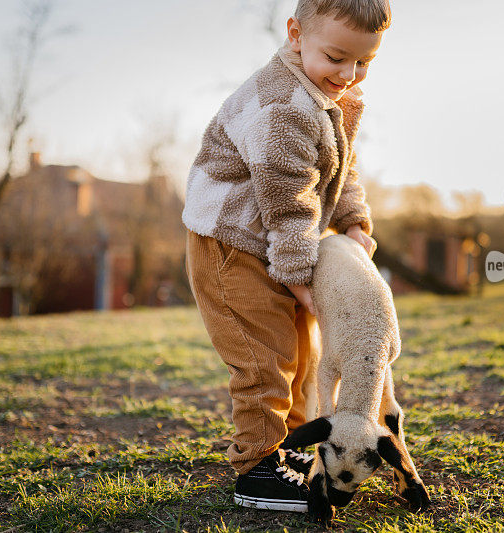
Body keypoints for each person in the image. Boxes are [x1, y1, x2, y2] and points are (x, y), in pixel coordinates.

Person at [182, 0, 389, 513]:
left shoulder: (330, 96)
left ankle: (288, 451)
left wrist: (354, 221)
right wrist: (302, 282)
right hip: (231, 244)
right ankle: (257, 468)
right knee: (263, 357)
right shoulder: (283, 109)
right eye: (337, 58)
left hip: (277, 241)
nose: (350, 74)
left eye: (364, 62)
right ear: (296, 34)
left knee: (302, 355)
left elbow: (338, 171)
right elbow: (287, 203)